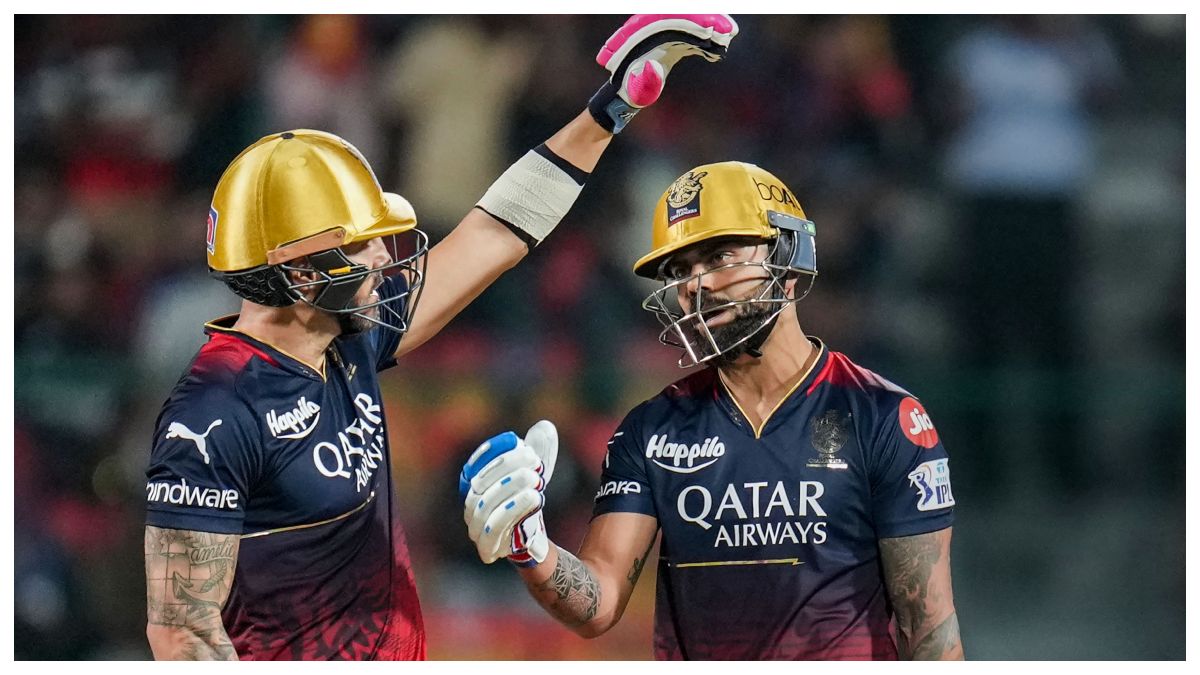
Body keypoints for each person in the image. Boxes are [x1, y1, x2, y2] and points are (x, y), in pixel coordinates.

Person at [142, 15, 740, 661]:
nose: (383, 257)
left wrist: (610, 110)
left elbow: (494, 232)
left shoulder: (347, 339)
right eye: (359, 245)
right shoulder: (214, 411)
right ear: (298, 271)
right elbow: (182, 632)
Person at [460, 161, 963, 660]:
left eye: (720, 255)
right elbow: (600, 601)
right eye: (680, 271)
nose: (697, 285)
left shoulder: (884, 417)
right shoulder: (650, 430)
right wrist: (533, 547)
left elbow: (930, 630)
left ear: (790, 256)